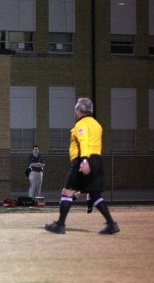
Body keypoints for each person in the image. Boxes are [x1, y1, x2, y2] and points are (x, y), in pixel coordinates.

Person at [44, 97, 120, 235]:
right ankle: (111, 224)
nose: (75, 112)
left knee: (67, 192)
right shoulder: (97, 125)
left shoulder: (81, 125)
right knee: (95, 194)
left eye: (75, 109)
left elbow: (84, 141)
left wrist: (84, 160)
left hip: (83, 160)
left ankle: (60, 225)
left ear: (79, 110)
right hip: (97, 160)